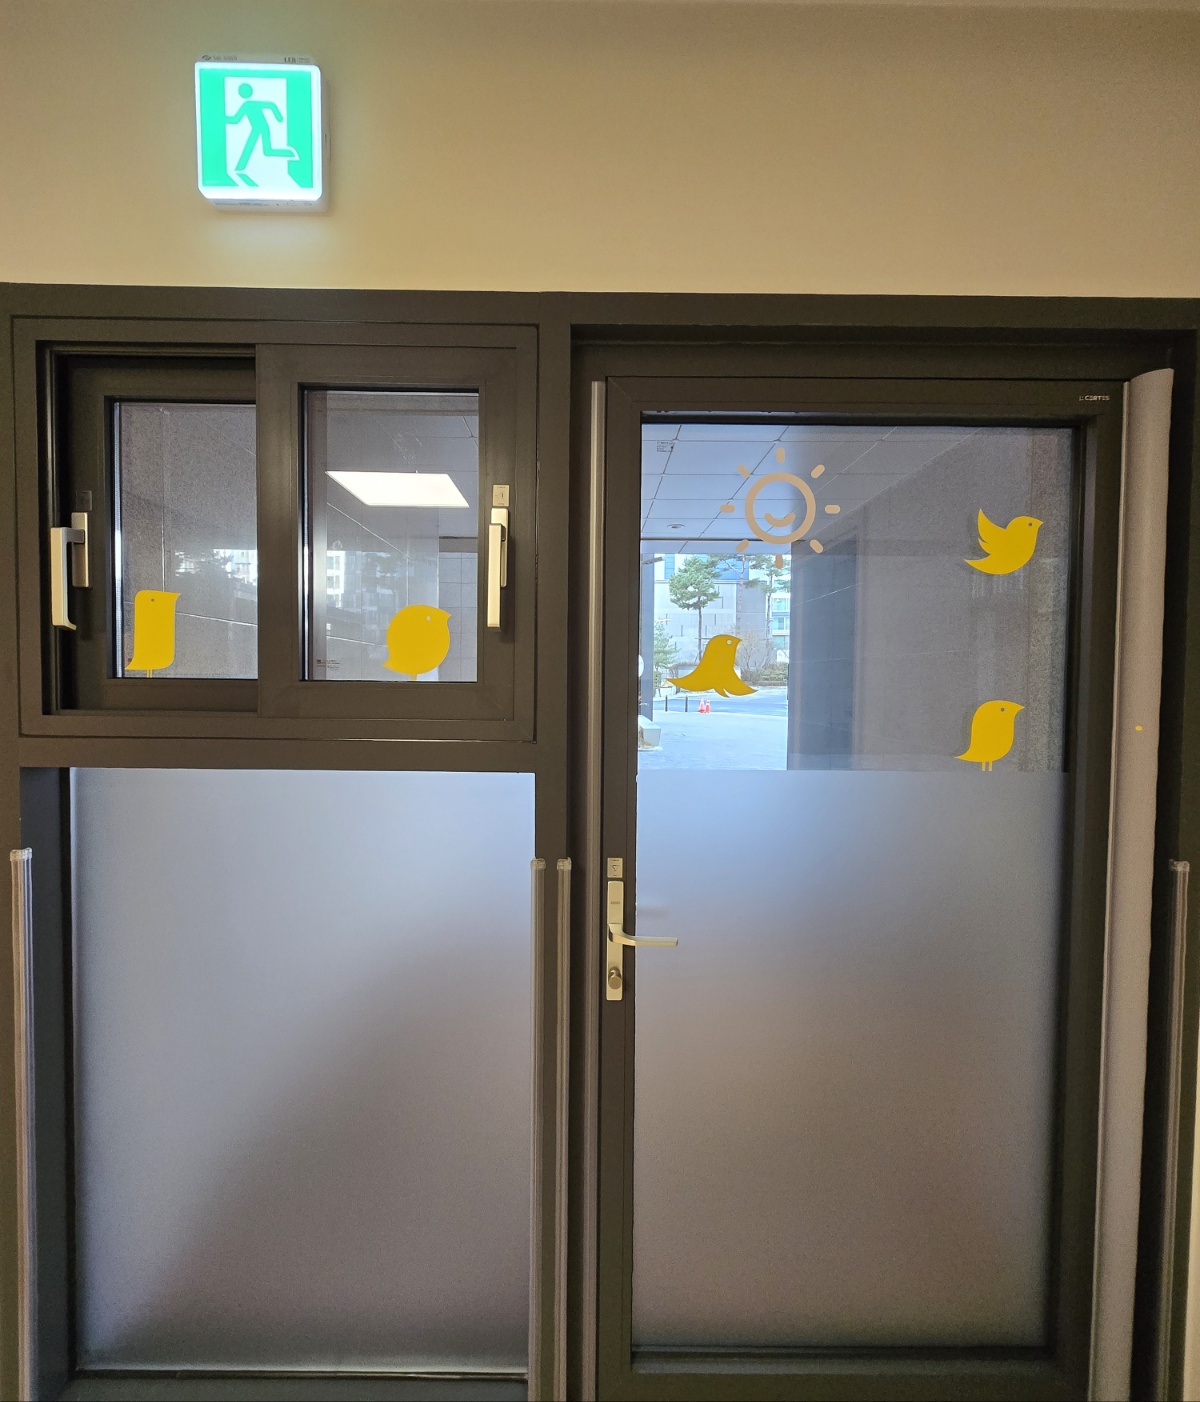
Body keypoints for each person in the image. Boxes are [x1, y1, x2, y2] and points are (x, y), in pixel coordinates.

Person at [227, 82, 296, 186]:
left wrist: (279, 117)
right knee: (266, 150)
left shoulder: (247, 105)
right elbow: (236, 119)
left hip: (261, 128)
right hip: (259, 128)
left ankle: (240, 167)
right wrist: (278, 117)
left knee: (265, 150)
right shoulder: (248, 104)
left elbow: (235, 119)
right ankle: (240, 167)